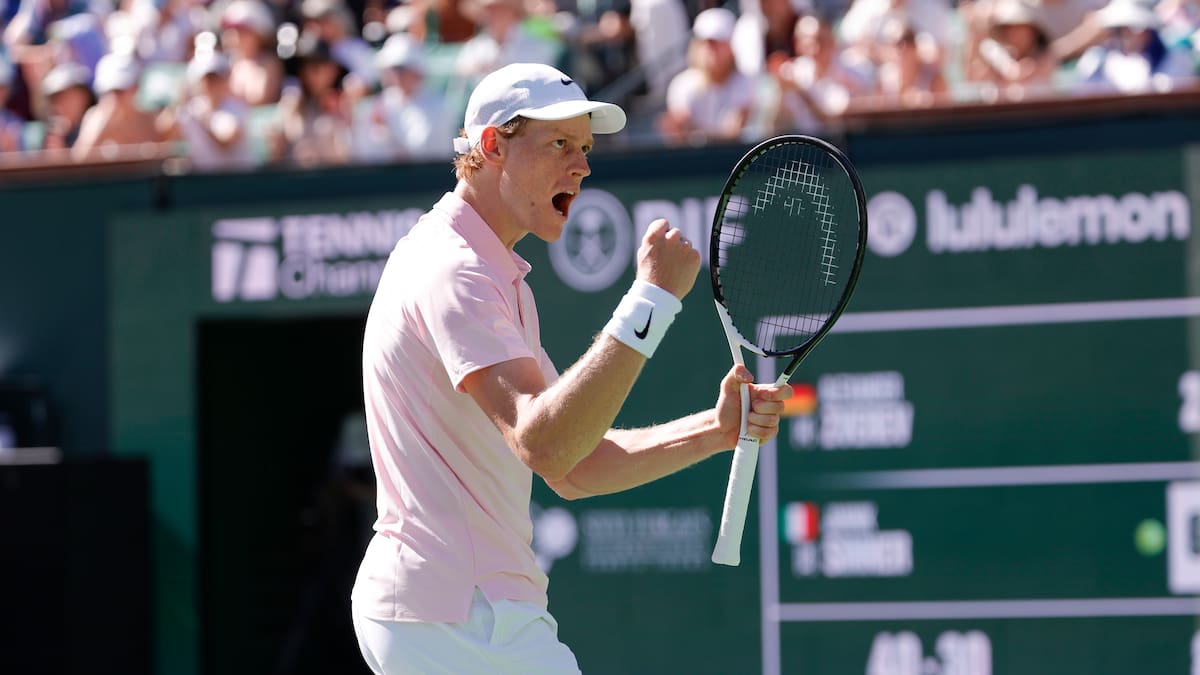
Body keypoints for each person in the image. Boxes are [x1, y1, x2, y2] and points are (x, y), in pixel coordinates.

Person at [350, 61, 790, 674]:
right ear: (491, 146)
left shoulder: (485, 270)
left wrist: (713, 432)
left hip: (451, 614)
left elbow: (575, 464)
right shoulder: (456, 270)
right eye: (559, 143)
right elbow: (546, 445)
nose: (581, 166)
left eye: (584, 147)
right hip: (463, 615)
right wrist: (652, 301)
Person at [658, 7, 756, 145]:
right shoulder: (682, 85)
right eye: (705, 43)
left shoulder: (747, 83)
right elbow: (679, 134)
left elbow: (737, 132)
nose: (711, 50)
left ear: (731, 46)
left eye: (718, 43)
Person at [71, 51, 162, 160]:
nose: (115, 98)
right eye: (110, 92)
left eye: (120, 90)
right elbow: (78, 160)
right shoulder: (94, 118)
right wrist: (101, 125)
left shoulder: (151, 120)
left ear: (135, 88)